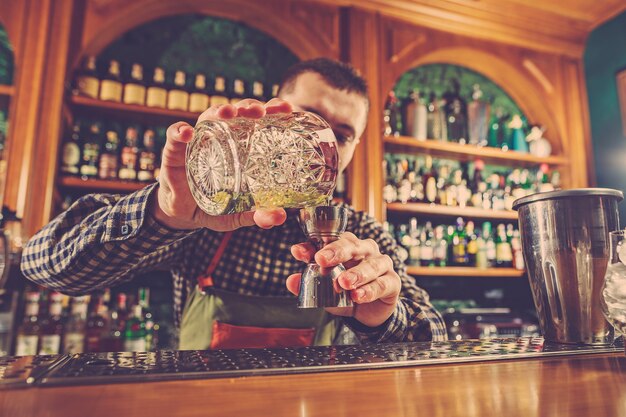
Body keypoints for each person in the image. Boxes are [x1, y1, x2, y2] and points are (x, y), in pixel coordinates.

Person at [21, 58, 447, 349]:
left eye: (342, 133)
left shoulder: (360, 235)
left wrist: (382, 317)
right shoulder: (206, 217)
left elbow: (436, 340)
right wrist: (164, 214)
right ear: (273, 114)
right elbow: (44, 264)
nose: (322, 143)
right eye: (309, 120)